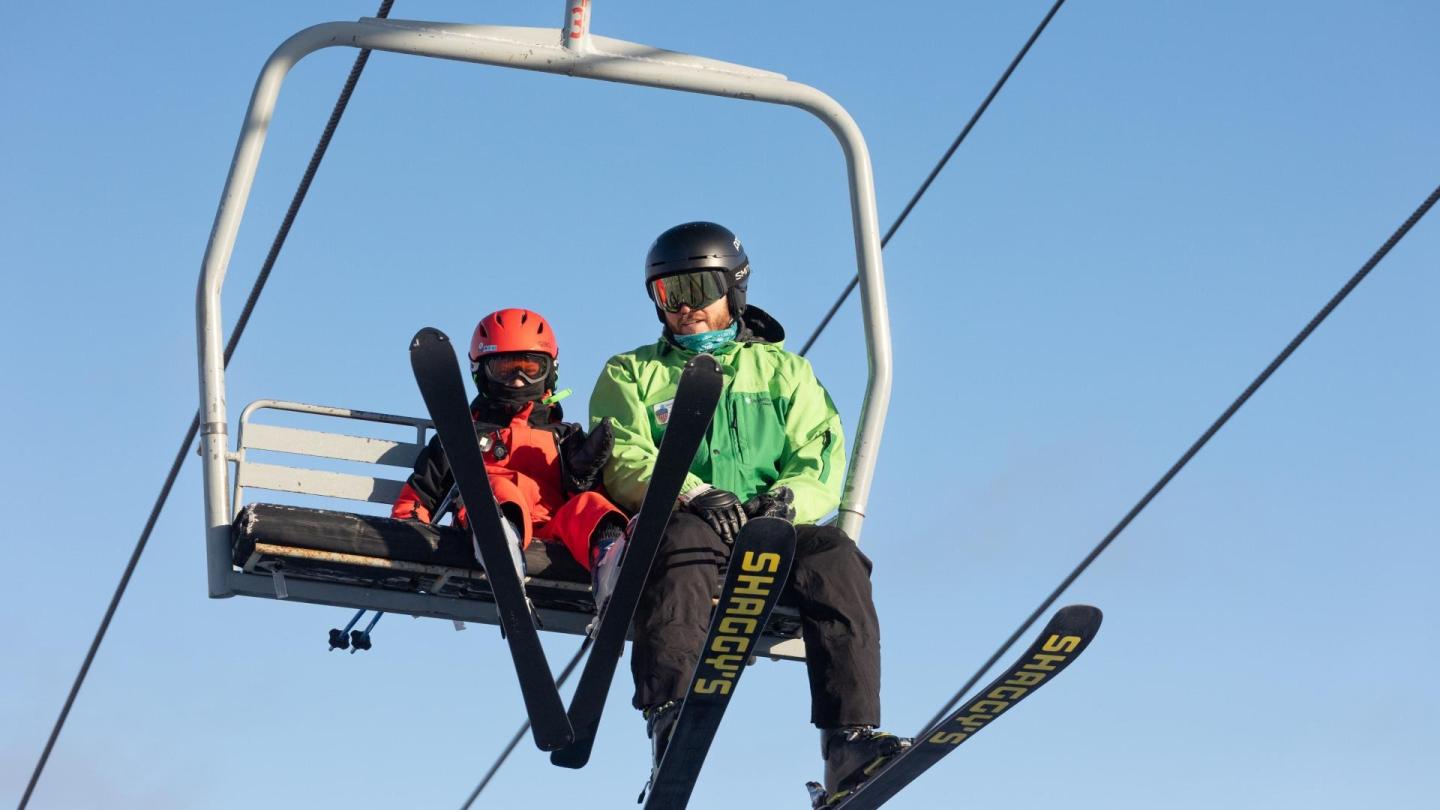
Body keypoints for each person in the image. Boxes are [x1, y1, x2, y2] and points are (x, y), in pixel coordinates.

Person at [589, 222, 908, 800]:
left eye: (695, 290)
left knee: (837, 555)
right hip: (687, 522)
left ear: (734, 289)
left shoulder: (786, 373)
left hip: (769, 531)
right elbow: (622, 456)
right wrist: (690, 493)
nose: (682, 308)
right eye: (667, 295)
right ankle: (671, 713)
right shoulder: (631, 372)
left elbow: (818, 456)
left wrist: (786, 502)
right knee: (677, 544)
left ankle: (848, 740)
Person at [394, 308, 628, 594]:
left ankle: (612, 567)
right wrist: (408, 540)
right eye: (504, 370)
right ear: (482, 372)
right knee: (498, 487)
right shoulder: (462, 436)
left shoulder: (564, 437)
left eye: (530, 370)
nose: (517, 379)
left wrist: (583, 476)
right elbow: (419, 496)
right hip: (486, 520)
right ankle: (502, 548)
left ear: (550, 371)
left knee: (592, 504)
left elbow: (579, 501)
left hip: (555, 528)